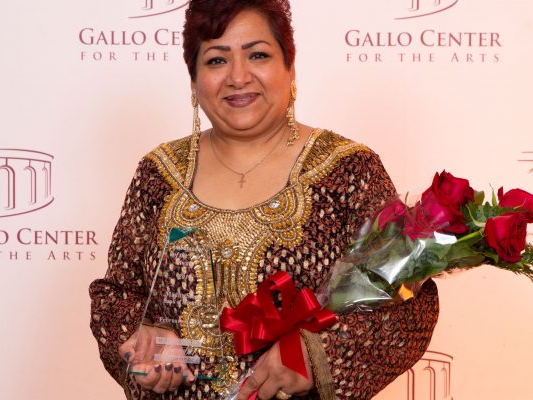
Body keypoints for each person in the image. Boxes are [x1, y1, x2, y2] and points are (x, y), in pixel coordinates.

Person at [89, 0, 439, 398]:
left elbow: (409, 307)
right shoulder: (160, 173)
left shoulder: (348, 171)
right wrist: (141, 338)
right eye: (216, 60)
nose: (238, 77)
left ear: (290, 67)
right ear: (194, 80)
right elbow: (116, 296)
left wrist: (316, 355)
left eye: (257, 55)